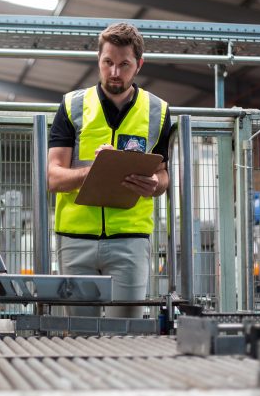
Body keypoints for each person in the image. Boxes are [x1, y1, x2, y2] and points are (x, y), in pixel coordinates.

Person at [47, 22, 171, 318]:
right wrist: (95, 173)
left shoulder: (158, 111)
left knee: (126, 335)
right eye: (108, 63)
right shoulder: (72, 106)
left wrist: (154, 184)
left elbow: (164, 174)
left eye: (124, 64)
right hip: (76, 240)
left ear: (138, 64)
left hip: (130, 240)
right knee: (79, 336)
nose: (115, 72)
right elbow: (53, 176)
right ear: (98, 60)